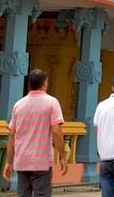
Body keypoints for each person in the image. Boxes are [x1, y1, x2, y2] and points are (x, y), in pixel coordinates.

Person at [4, 69, 67, 197]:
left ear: (29, 84)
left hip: (22, 160)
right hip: (41, 161)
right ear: (45, 83)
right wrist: (62, 157)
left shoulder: (18, 105)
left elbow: (12, 136)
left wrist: (8, 162)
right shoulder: (52, 103)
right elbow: (56, 131)